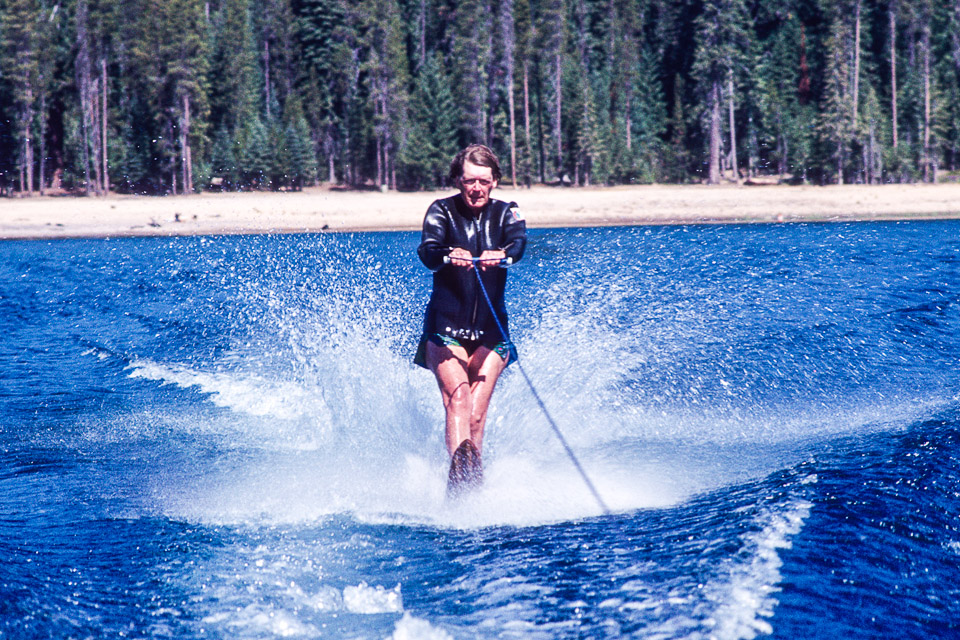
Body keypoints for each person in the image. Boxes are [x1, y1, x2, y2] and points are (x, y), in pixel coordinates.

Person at [414, 144, 527, 477]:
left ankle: (473, 481)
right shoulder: (441, 211)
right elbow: (428, 251)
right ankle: (458, 474)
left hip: (491, 335)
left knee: (476, 416)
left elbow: (519, 244)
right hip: (445, 330)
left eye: (483, 181)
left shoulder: (507, 213)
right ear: (458, 181)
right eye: (469, 181)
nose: (476, 188)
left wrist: (503, 253)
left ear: (494, 182)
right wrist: (450, 252)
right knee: (459, 399)